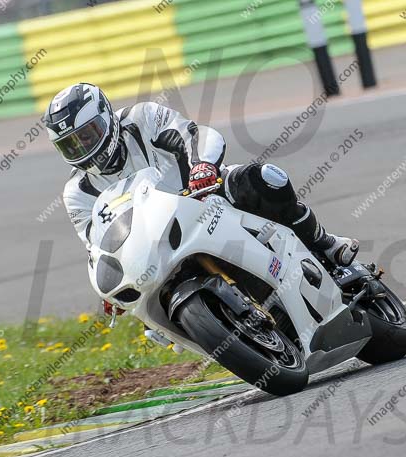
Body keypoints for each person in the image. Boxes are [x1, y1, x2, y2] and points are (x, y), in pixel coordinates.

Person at [43, 82, 359, 311]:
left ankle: (326, 244)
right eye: (72, 146)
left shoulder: (141, 118)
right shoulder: (77, 193)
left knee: (265, 179)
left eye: (88, 136)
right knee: (148, 310)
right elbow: (97, 246)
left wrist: (203, 166)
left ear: (106, 118)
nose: (84, 149)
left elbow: (194, 135)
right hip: (157, 247)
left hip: (203, 195)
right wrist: (109, 287)